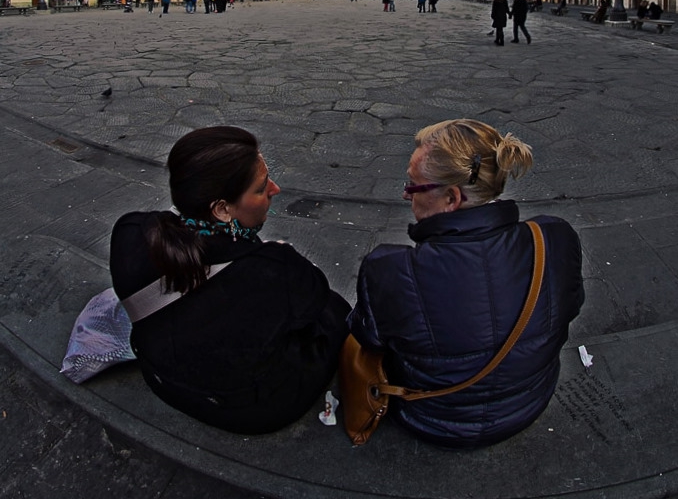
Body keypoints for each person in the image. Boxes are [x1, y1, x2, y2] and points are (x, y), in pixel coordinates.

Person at [347, 118, 584, 448]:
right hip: (529, 401)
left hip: (432, 418)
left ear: (451, 198)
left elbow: (367, 336)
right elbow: (569, 307)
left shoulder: (391, 268)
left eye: (414, 186)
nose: (406, 194)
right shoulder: (554, 238)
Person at [110, 126, 350, 434]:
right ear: (222, 209)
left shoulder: (130, 230)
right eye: (261, 188)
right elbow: (316, 297)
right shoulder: (271, 269)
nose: (275, 190)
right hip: (245, 410)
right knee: (335, 309)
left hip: (159, 379)